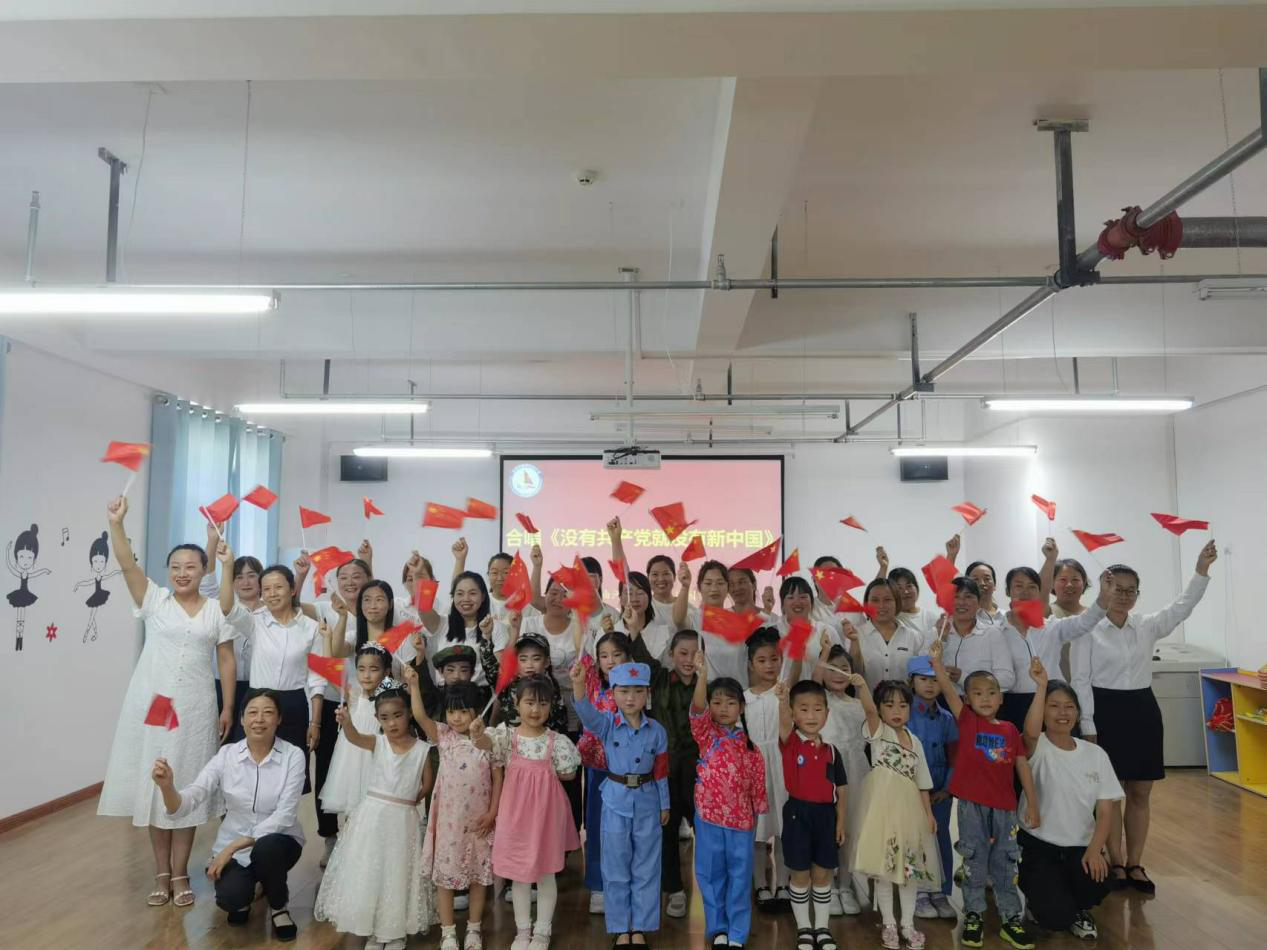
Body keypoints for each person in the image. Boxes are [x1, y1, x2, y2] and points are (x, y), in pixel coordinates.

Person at [98, 496, 238, 909]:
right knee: (156, 786)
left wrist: (228, 707)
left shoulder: (216, 610)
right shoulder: (154, 600)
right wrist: (116, 524)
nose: (181, 573)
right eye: (175, 566)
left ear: (204, 570)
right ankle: (162, 873)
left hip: (196, 706)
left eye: (190, 566)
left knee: (187, 787)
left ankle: (180, 873)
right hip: (156, 705)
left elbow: (226, 660)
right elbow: (126, 563)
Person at [1070, 539, 1217, 895]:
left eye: (1130, 590)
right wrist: (1087, 725)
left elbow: (1183, 606)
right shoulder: (1087, 629)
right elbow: (1080, 680)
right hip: (1103, 711)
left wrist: (1200, 570)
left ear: (1137, 594)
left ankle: (1135, 863)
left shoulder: (1147, 625)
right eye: (1116, 589)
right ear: (1104, 590)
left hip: (1141, 710)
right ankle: (1115, 862)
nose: (1123, 596)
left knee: (1140, 791)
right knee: (1109, 793)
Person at [150, 689, 305, 941]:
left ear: (278, 719)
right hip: (234, 848)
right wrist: (168, 788)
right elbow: (192, 798)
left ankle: (279, 906)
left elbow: (284, 816)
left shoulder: (293, 756)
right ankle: (252, 888)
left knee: (267, 848)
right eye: (252, 713)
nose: (259, 719)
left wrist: (231, 847)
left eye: (268, 713)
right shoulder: (226, 755)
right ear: (242, 719)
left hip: (280, 842)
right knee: (231, 899)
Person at [928, 638, 1038, 950]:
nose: (985, 698)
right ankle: (974, 914)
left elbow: (1022, 766)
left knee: (1005, 862)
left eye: (991, 693)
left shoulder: (1010, 730)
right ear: (968, 699)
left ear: (1001, 698)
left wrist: (1032, 803)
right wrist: (936, 662)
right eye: (977, 693)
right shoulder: (967, 721)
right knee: (974, 861)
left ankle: (1010, 918)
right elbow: (948, 689)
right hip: (971, 807)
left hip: (1005, 808)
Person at [315, 678, 436, 949]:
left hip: (403, 820)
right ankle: (371, 928)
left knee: (397, 872)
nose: (392, 723)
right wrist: (346, 722)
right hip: (373, 818)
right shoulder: (377, 743)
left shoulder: (422, 749)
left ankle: (393, 931)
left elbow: (427, 784)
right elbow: (354, 738)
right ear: (377, 719)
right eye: (385, 718)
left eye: (398, 715)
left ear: (409, 714)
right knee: (371, 871)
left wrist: (408, 800)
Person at [1018, 659, 1122, 941]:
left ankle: (1077, 908)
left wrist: (1095, 850)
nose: (1062, 713)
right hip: (1040, 845)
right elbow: (1030, 732)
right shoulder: (1037, 745)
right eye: (1054, 706)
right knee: (1055, 918)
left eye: (1069, 706)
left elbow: (1105, 810)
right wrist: (1041, 686)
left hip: (1080, 847)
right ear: (1043, 711)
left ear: (1077, 712)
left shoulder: (1095, 754)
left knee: (1100, 879)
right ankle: (1039, 904)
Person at [571, 658, 670, 948]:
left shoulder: (657, 731)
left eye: (638, 691)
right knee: (615, 866)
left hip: (648, 802)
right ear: (613, 693)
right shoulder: (607, 725)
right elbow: (586, 712)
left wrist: (665, 804)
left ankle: (640, 927)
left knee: (646, 866)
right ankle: (620, 928)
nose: (630, 698)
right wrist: (578, 684)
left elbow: (661, 771)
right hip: (615, 802)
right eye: (624, 691)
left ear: (647, 693)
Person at [482, 675, 582, 950]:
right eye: (529, 702)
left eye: (542, 703)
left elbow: (569, 773)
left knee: (546, 874)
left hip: (546, 819)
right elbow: (484, 745)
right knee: (519, 876)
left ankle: (542, 931)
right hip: (515, 819)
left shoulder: (556, 741)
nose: (535, 709)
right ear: (516, 704)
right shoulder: (507, 737)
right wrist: (478, 734)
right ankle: (522, 931)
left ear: (551, 706)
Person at [406, 668, 503, 950]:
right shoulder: (444, 736)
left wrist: (493, 813)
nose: (456, 717)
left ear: (477, 712)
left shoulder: (489, 738)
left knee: (478, 878)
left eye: (462, 711)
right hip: (448, 823)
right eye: (451, 711)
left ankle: (474, 928)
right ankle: (448, 931)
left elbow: (498, 778)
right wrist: (414, 686)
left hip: (479, 823)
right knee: (445, 879)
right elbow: (420, 717)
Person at [848, 676, 940, 950]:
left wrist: (928, 814)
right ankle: (889, 923)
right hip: (883, 810)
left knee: (909, 870)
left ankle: (907, 924)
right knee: (885, 870)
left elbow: (922, 782)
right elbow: (868, 710)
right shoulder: (879, 732)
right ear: (880, 709)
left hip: (910, 813)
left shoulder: (915, 741)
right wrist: (862, 687)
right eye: (889, 706)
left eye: (902, 705)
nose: (896, 711)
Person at [218, 549, 324, 780]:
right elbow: (227, 608)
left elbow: (317, 678)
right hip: (257, 702)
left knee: (288, 775)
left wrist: (315, 722)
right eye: (266, 589)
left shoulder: (311, 628)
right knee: (248, 772)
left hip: (294, 704)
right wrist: (226, 566)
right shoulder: (255, 622)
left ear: (292, 589)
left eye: (278, 587)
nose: (272, 594)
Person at [689, 651, 768, 950]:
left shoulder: (752, 749)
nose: (723, 708)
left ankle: (737, 933)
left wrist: (755, 819)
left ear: (742, 707)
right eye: (717, 702)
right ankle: (718, 928)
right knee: (711, 875)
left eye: (731, 702)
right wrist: (702, 675)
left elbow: (758, 791)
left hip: (742, 823)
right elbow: (697, 709)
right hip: (708, 818)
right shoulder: (706, 735)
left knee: (739, 877)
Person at [629, 621, 701, 919]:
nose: (689, 660)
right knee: (667, 831)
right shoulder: (658, 678)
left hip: (698, 772)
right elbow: (641, 655)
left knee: (704, 831)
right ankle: (674, 890)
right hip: (664, 771)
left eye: (695, 654)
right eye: (683, 653)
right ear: (671, 654)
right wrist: (634, 628)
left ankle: (709, 888)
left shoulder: (705, 686)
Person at [777, 679, 847, 950]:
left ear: (827, 714)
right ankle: (804, 928)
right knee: (800, 874)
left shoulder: (832, 751)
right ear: (794, 714)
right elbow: (784, 723)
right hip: (798, 815)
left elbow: (842, 789)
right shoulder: (791, 743)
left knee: (822, 874)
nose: (811, 715)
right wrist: (783, 700)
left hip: (826, 817)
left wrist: (840, 821)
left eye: (818, 709)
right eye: (803, 709)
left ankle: (822, 928)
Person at [997, 566, 1110, 731]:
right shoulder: (996, 631)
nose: (1025, 592)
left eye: (1032, 587)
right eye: (1019, 586)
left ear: (1039, 592)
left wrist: (1104, 597)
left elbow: (1085, 622)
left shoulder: (1052, 627)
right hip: (1012, 705)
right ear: (1008, 591)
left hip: (1052, 703)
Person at [577, 629, 634, 915]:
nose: (610, 661)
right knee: (598, 828)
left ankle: (624, 884)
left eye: (617, 654)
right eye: (604, 656)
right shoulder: (591, 683)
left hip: (627, 772)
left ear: (628, 657)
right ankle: (598, 886)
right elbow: (581, 654)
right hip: (598, 770)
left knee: (625, 831)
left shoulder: (636, 688)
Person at [812, 641, 870, 916]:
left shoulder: (859, 704)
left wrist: (862, 687)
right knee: (827, 829)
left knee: (850, 829)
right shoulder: (820, 701)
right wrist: (823, 654)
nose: (838, 674)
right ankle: (828, 887)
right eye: (831, 668)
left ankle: (846, 885)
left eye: (844, 668)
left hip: (856, 771)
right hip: (825, 771)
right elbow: (813, 682)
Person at [904, 656, 958, 922]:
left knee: (940, 838)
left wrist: (947, 789)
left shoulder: (947, 718)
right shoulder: (904, 715)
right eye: (923, 679)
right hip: (911, 792)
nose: (929, 684)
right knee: (914, 840)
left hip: (939, 792)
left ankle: (940, 890)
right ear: (911, 682)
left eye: (936, 679)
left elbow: (955, 756)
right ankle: (917, 891)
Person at [744, 627, 792, 912]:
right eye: (761, 660)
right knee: (758, 830)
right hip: (755, 770)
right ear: (751, 664)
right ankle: (761, 883)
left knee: (785, 828)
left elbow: (788, 733)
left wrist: (785, 700)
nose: (769, 665)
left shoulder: (785, 694)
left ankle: (784, 883)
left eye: (774, 659)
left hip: (783, 766)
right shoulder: (744, 698)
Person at [320, 642, 391, 816]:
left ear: (386, 672)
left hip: (377, 755)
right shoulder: (353, 694)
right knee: (352, 807)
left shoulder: (390, 699)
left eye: (374, 669)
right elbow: (328, 669)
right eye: (361, 669)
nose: (366, 675)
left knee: (377, 809)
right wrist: (328, 638)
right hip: (351, 756)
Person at [417, 570, 510, 686]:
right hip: (445, 694)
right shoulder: (442, 623)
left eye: (472, 593)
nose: (466, 599)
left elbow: (500, 674)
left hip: (479, 694)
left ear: (483, 597)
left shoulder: (496, 627)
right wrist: (422, 574)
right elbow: (423, 608)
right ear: (453, 597)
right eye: (460, 594)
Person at [482, 626, 569, 733]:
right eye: (523, 659)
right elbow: (489, 667)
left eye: (536, 659)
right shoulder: (508, 684)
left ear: (546, 662)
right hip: (511, 741)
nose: (529, 665)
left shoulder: (551, 689)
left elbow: (560, 725)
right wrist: (486, 637)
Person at [937, 577, 1014, 695]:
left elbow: (1007, 679)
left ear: (978, 603)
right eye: (956, 597)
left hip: (982, 703)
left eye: (968, 597)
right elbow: (923, 671)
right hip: (942, 702)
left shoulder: (992, 634)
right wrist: (942, 639)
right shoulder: (937, 631)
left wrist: (964, 678)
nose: (961, 602)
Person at [850, 578, 926, 692]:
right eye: (875, 600)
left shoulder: (914, 637)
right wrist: (854, 643)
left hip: (904, 703)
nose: (881, 605)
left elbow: (920, 677)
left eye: (887, 599)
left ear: (897, 602)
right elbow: (852, 673)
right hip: (864, 702)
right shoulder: (855, 635)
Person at [212, 554, 262, 722]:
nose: (245, 582)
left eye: (251, 576)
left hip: (259, 686)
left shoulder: (271, 611)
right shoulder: (222, 609)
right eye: (239, 577)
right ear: (232, 582)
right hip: (223, 684)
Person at [1038, 538, 1091, 679]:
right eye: (1063, 580)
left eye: (1075, 580)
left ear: (1084, 583)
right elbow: (1039, 592)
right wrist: (1050, 559)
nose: (1069, 585)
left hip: (1091, 686)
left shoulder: (1093, 615)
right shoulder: (1048, 613)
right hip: (1058, 687)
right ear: (1052, 584)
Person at [875, 550, 940, 642]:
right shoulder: (891, 618)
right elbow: (877, 595)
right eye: (899, 588)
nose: (905, 591)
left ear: (916, 588)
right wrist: (883, 567)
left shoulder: (931, 618)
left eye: (909, 586)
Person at [73, 530, 121, 643]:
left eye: (101, 561)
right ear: (91, 562)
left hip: (99, 596)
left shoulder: (101, 576)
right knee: (92, 616)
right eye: (95, 561)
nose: (98, 565)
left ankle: (86, 634)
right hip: (95, 596)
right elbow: (88, 582)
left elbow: (110, 574)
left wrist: (118, 571)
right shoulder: (96, 578)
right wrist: (78, 584)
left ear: (105, 562)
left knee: (91, 617)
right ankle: (95, 633)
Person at [646, 554, 679, 626]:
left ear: (674, 577)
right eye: (655, 574)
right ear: (648, 578)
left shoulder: (686, 607)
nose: (661, 579)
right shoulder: (643, 607)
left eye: (666, 573)